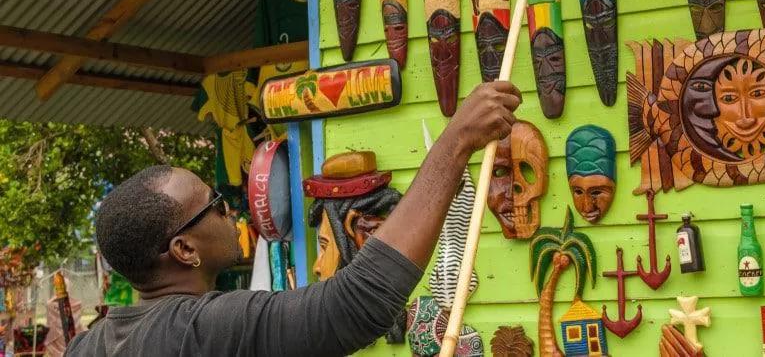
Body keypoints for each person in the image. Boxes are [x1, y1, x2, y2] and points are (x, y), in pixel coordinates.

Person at [67, 82, 522, 357]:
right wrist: (456, 142)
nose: (232, 210)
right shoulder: (203, 329)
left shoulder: (86, 347)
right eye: (215, 204)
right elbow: (358, 302)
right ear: (184, 249)